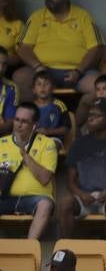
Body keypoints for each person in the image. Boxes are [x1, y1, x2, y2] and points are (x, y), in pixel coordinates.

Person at [14, 0, 104, 99]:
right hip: (43, 70)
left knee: (99, 86)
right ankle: (35, 117)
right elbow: (23, 48)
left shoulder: (83, 16)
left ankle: (79, 119)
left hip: (78, 71)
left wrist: (79, 71)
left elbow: (96, 48)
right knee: (20, 77)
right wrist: (38, 67)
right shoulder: (37, 17)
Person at [58, 96, 106, 243]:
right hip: (83, 197)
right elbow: (71, 181)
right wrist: (81, 194)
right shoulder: (78, 144)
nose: (90, 119)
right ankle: (63, 251)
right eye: (89, 115)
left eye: (96, 115)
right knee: (65, 201)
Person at [0, 101, 57, 238]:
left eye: (24, 121)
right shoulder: (1, 143)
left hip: (34, 199)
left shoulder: (47, 144)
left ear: (34, 125)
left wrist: (26, 156)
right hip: (5, 198)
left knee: (45, 204)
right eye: (17, 119)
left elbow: (44, 179)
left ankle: (29, 248)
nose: (18, 125)